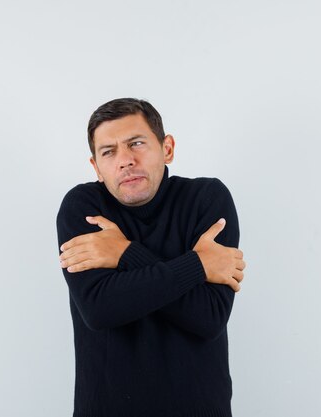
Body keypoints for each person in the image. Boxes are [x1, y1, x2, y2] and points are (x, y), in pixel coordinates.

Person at [56, 98, 246, 417]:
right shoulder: (82, 208)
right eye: (109, 151)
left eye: (137, 143)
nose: (125, 160)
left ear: (167, 148)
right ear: (96, 167)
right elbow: (100, 309)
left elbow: (208, 316)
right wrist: (197, 265)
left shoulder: (207, 200)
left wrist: (123, 253)